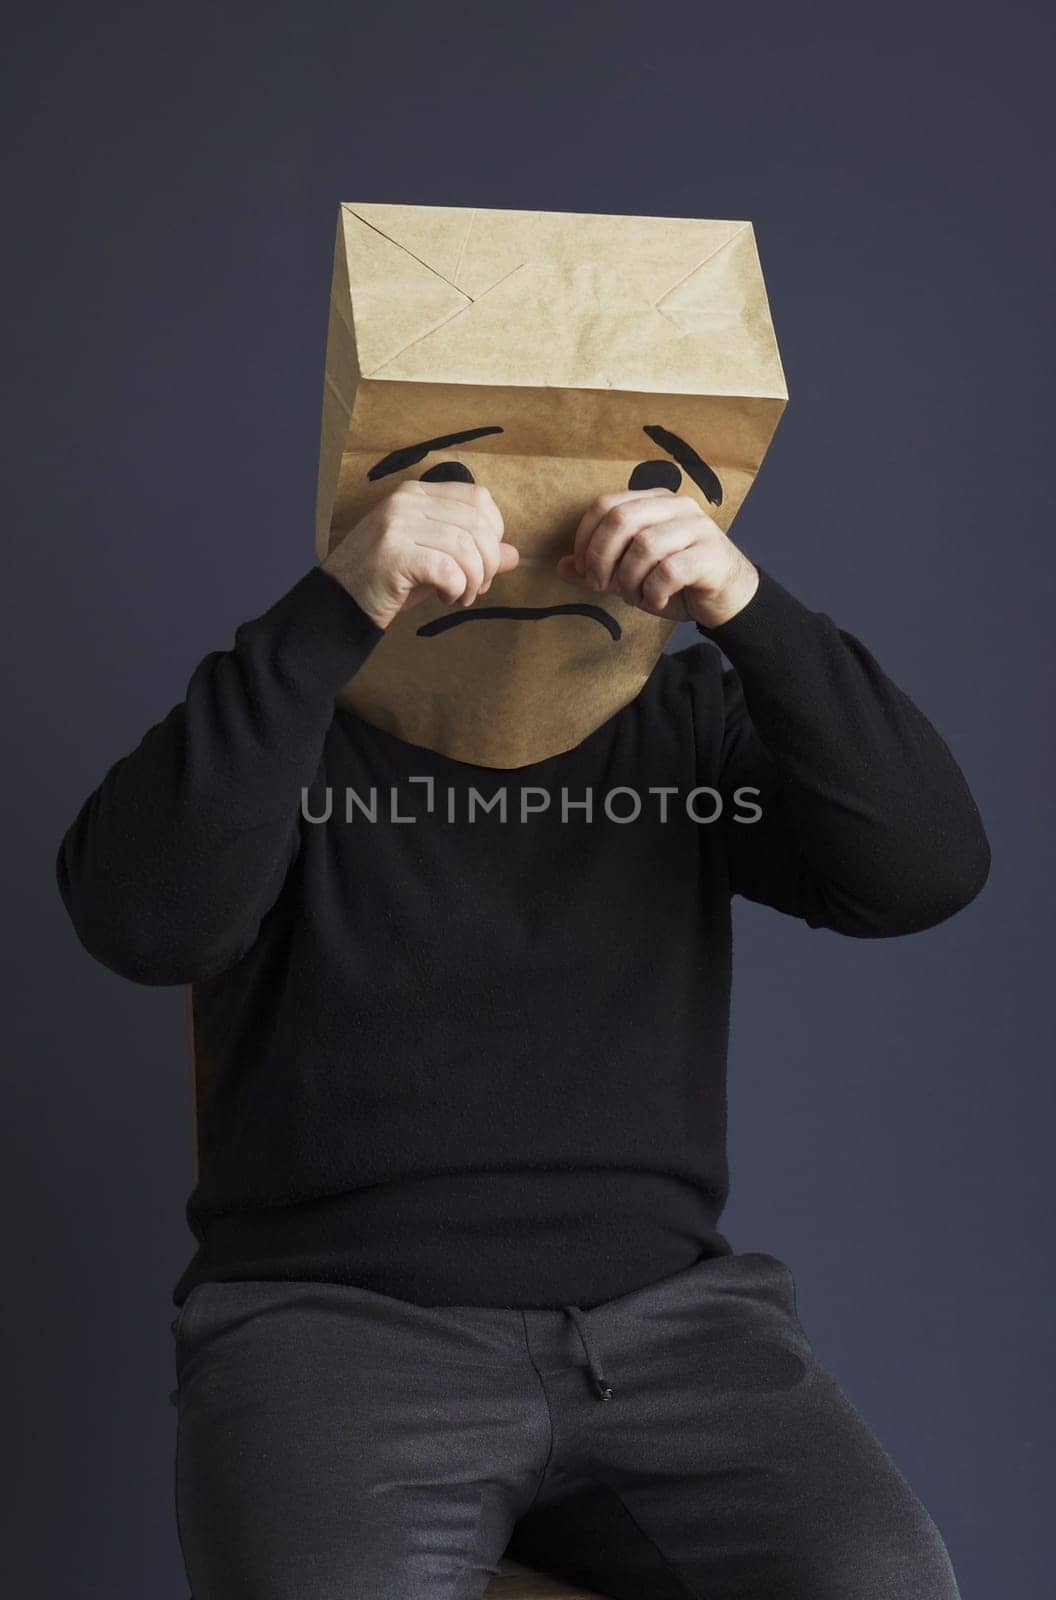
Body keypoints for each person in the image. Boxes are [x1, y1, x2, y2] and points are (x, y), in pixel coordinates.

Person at [56, 468, 989, 1600]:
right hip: (336, 1338)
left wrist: (752, 608)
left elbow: (925, 871)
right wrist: (333, 607)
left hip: (675, 1334)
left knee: (890, 1582)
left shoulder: (685, 728)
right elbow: (144, 924)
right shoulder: (286, 717)